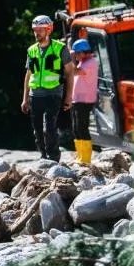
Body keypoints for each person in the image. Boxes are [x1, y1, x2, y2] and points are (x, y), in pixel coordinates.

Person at [21, 15, 74, 161]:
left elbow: (70, 72)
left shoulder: (60, 48)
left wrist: (69, 96)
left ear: (49, 29)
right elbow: (28, 74)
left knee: (49, 128)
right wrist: (24, 99)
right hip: (34, 96)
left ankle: (53, 158)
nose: (36, 33)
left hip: (53, 94)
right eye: (34, 30)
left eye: (40, 30)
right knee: (37, 131)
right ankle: (43, 157)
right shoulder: (31, 50)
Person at [70, 38, 98, 164]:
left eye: (77, 53)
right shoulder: (83, 61)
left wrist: (71, 58)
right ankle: (80, 156)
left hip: (85, 100)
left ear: (83, 52)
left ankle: (86, 158)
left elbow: (73, 72)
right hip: (77, 100)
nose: (76, 56)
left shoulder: (91, 62)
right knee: (76, 128)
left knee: (82, 127)